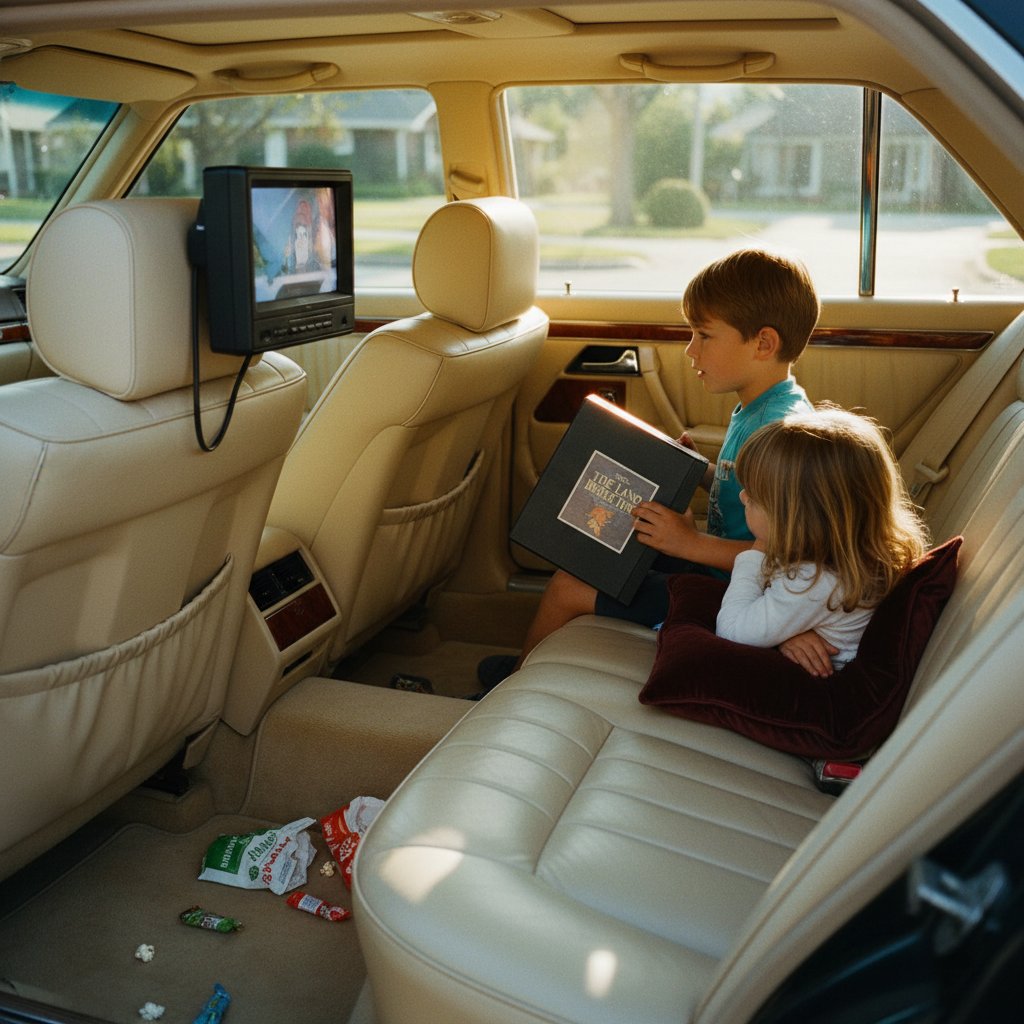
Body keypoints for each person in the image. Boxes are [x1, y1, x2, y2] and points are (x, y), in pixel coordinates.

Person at [474, 247, 821, 695]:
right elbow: (748, 493)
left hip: (740, 591)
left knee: (569, 587)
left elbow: (784, 558)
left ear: (763, 343)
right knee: (609, 538)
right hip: (723, 571)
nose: (690, 350)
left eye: (704, 336)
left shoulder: (779, 431)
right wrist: (700, 472)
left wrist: (690, 543)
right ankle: (530, 662)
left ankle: (510, 689)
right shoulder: (758, 407)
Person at [717, 405, 929, 676]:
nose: (743, 497)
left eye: (755, 498)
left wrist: (753, 556)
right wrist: (786, 634)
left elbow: (733, 631)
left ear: (798, 520)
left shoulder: (814, 583)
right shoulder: (844, 555)